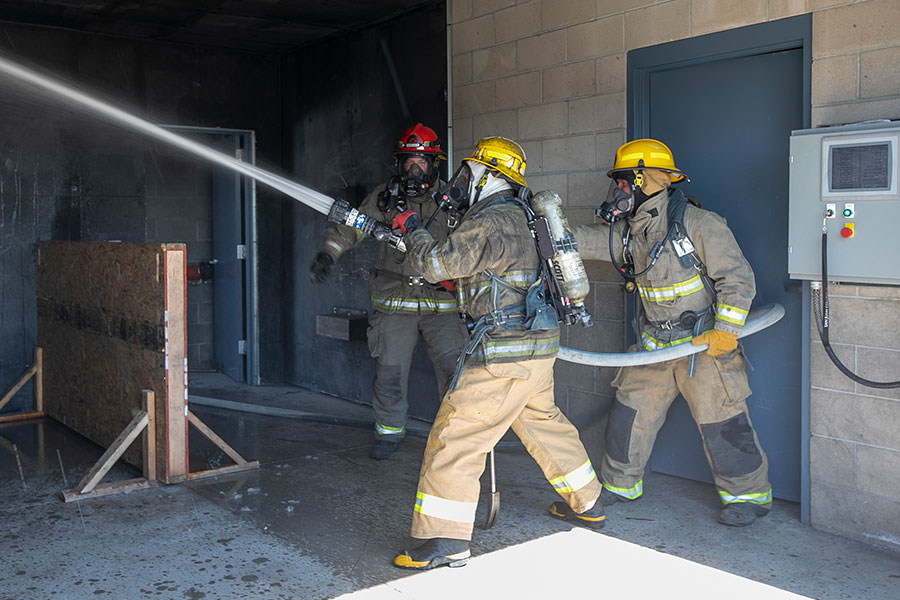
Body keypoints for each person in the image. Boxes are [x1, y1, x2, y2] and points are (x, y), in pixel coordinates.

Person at [388, 136, 604, 570]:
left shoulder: (491, 221)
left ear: (487, 175)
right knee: (542, 422)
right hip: (537, 349)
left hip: (503, 355)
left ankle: (444, 541)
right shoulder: (523, 216)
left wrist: (413, 231)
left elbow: (434, 264)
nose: (460, 181)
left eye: (467, 172)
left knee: (455, 438)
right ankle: (587, 502)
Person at [571, 138, 772, 527]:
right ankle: (619, 484)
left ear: (647, 179)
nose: (619, 191)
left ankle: (748, 495)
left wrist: (726, 330)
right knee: (629, 416)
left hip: (705, 347)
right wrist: (544, 232)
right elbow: (589, 242)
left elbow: (738, 278)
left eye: (624, 182)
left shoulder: (699, 224)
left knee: (723, 423)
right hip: (653, 347)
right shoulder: (633, 232)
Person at [309, 123, 467, 460]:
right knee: (390, 373)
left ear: (435, 163)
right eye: (408, 160)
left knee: (457, 375)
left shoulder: (455, 201)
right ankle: (389, 433)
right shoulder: (386, 197)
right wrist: (328, 253)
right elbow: (350, 229)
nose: (414, 167)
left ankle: (458, 443)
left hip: (443, 305)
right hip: (395, 305)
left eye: (421, 161)